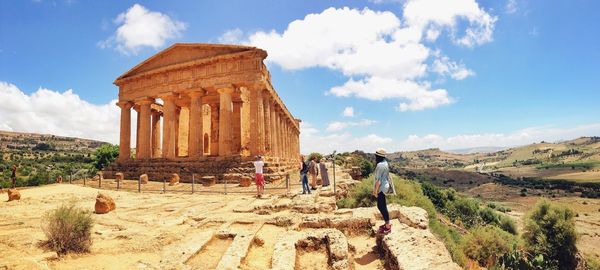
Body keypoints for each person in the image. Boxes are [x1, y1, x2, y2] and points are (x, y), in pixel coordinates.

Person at [373, 148, 392, 234]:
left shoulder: (380, 165)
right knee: (382, 205)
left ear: (378, 156)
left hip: (381, 188)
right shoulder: (385, 163)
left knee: (381, 206)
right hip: (385, 186)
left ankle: (387, 226)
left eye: (376, 156)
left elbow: (378, 180)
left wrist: (375, 191)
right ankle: (387, 223)